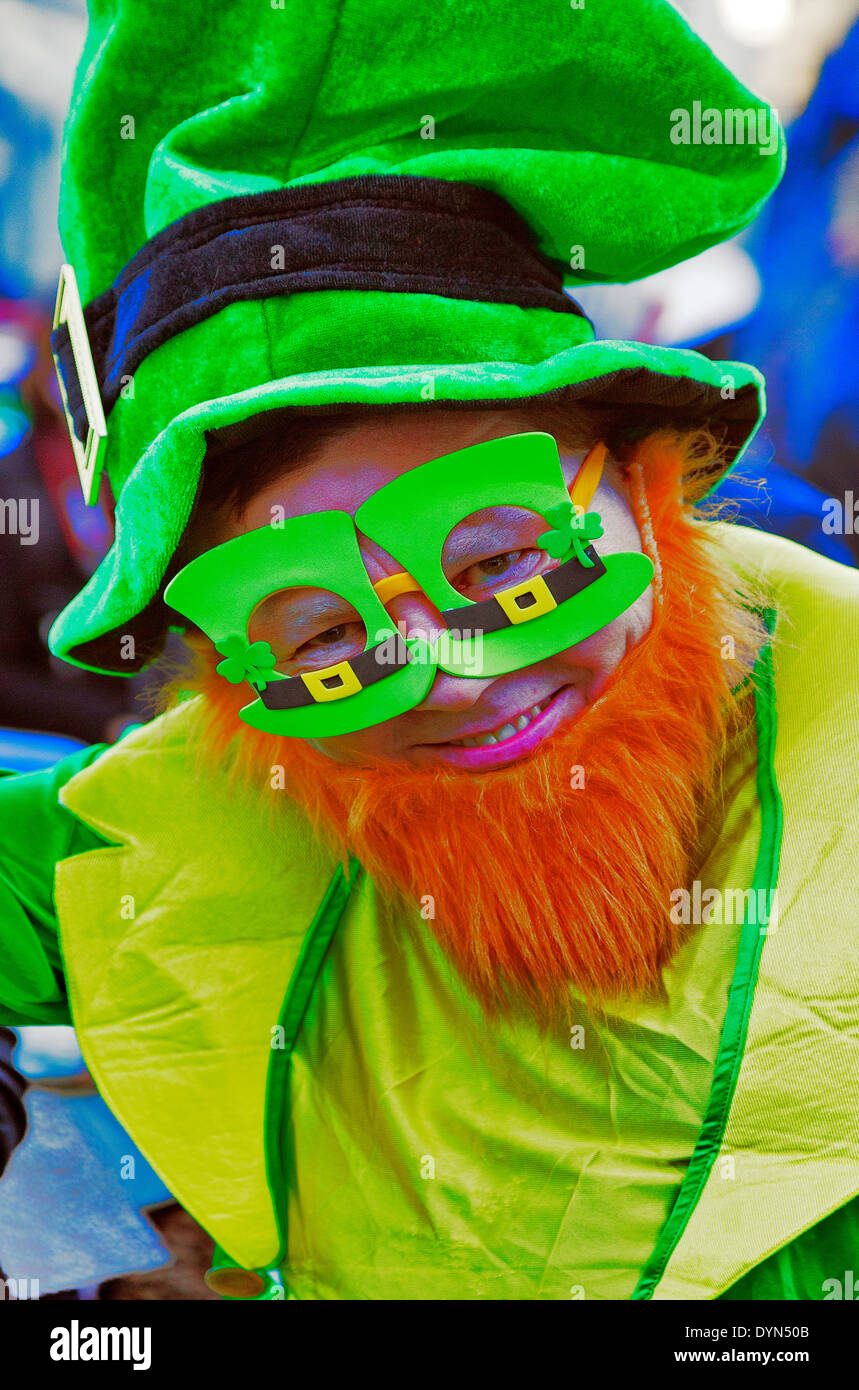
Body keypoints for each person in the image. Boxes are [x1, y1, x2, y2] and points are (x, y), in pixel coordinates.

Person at [0, 0, 857, 1302]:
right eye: (330, 635)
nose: (457, 678)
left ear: (644, 480)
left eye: (505, 565)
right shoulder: (205, 811)